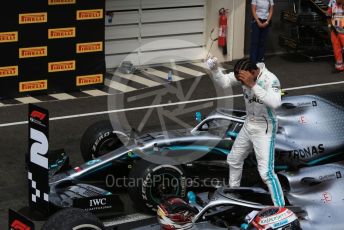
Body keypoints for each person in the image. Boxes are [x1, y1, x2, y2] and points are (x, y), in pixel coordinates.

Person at [206, 57, 285, 207]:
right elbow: (224, 82)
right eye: (240, 80)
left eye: (244, 80)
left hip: (265, 128)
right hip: (249, 123)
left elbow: (276, 103)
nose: (242, 83)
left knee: (266, 173)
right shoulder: (244, 74)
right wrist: (215, 69)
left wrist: (253, 85)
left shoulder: (270, 79)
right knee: (234, 159)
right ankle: (233, 196)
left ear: (254, 72)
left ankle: (281, 208)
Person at [250, 0, 274, 64]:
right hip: (256, 21)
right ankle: (253, 62)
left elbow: (271, 11)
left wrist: (267, 22)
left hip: (266, 21)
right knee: (255, 42)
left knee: (262, 42)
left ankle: (260, 61)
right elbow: (253, 10)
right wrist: (258, 22)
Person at [327, 0, 344, 72]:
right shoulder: (332, 2)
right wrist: (330, 27)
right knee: (336, 49)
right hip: (335, 31)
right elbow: (328, 15)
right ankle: (339, 67)